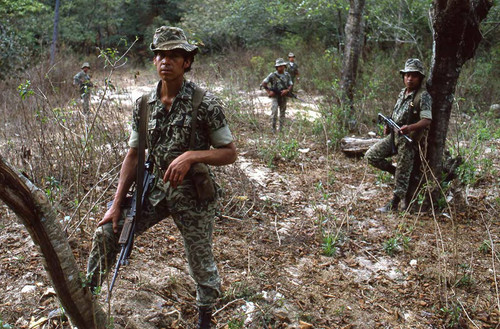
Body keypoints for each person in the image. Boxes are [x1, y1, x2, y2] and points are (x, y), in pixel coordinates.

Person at [86, 26, 237, 329]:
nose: (166, 61)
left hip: (194, 192)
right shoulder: (143, 105)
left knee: (200, 259)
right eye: (160, 55)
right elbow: (133, 155)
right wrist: (116, 204)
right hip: (153, 189)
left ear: (186, 62)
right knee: (107, 233)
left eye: (174, 55)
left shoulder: (205, 103)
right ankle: (84, 301)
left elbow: (229, 152)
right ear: (154, 61)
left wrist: (192, 155)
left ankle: (205, 318)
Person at [365, 58, 432, 212]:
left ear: (420, 78)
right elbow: (397, 113)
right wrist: (389, 126)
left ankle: (394, 205)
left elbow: (427, 120)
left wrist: (410, 128)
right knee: (371, 156)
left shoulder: (423, 96)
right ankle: (395, 172)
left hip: (409, 140)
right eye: (407, 75)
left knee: (403, 172)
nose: (409, 78)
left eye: (414, 75)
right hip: (395, 136)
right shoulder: (403, 92)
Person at [261, 58, 293, 132]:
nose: (281, 67)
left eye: (282, 66)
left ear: (284, 66)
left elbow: (290, 84)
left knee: (282, 113)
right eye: (279, 66)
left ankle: (281, 129)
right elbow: (264, 83)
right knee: (274, 112)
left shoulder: (287, 75)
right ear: (276, 67)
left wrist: (287, 90)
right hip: (275, 96)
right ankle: (273, 129)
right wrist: (269, 92)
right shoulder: (272, 75)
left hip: (283, 96)